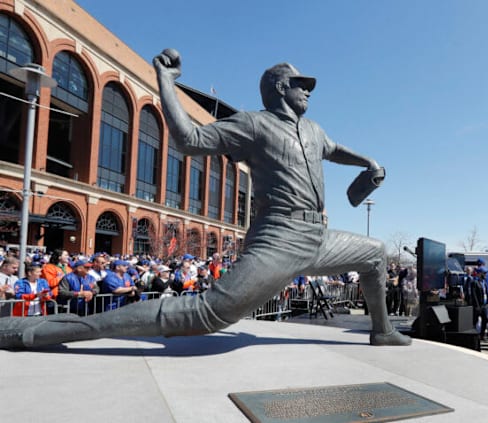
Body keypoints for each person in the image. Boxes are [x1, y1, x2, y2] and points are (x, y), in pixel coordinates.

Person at [0, 48, 409, 349]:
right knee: (205, 313)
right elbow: (190, 140)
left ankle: (382, 330)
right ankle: (49, 330)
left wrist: (367, 160)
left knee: (375, 253)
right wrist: (166, 84)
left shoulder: (314, 130)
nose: (309, 92)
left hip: (316, 238)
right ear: (281, 88)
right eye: (303, 86)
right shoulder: (253, 125)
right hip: (279, 237)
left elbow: (334, 149)